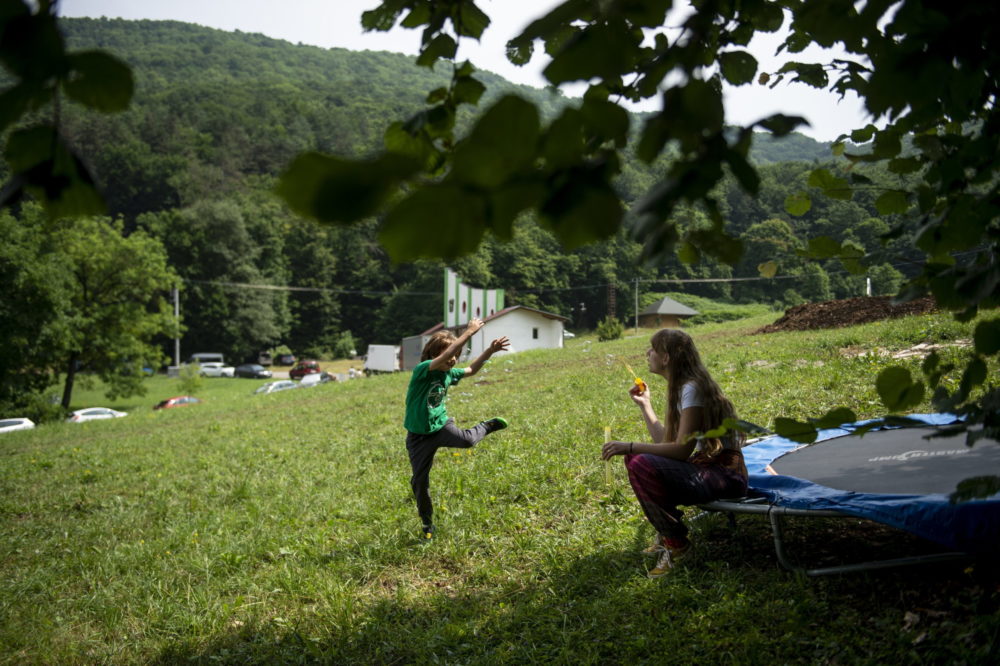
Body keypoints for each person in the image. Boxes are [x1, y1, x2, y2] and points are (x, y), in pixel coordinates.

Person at [601, 328, 747, 578]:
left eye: (652, 349)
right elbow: (667, 442)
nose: (648, 353)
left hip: (724, 476)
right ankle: (670, 537)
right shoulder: (683, 387)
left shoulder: (692, 388)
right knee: (636, 460)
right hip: (706, 469)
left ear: (666, 357)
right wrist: (645, 406)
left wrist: (630, 445)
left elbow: (680, 451)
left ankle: (675, 543)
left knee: (639, 461)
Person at [404, 318, 511, 541]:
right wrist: (469, 331)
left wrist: (490, 351)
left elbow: (471, 369)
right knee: (419, 483)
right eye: (448, 354)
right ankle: (427, 523)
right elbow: (445, 355)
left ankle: (486, 426)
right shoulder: (423, 370)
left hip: (441, 426)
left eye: (456, 355)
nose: (453, 359)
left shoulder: (448, 374)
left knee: (468, 441)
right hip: (418, 438)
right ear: (433, 355)